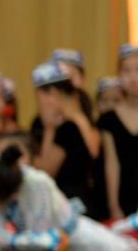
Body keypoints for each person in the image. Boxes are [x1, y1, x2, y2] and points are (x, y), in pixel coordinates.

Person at [0, 145, 138, 251]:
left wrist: (7, 240)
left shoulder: (38, 185)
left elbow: (46, 242)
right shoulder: (2, 183)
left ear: (9, 196)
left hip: (79, 241)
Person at [30, 60, 103, 219]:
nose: (40, 105)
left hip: (72, 206)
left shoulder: (67, 129)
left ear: (53, 95)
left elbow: (44, 174)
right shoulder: (85, 121)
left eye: (39, 97)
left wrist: (49, 129)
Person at [99, 44, 138, 221]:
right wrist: (113, 206)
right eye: (126, 71)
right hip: (124, 198)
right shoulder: (109, 119)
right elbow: (112, 164)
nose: (133, 77)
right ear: (118, 75)